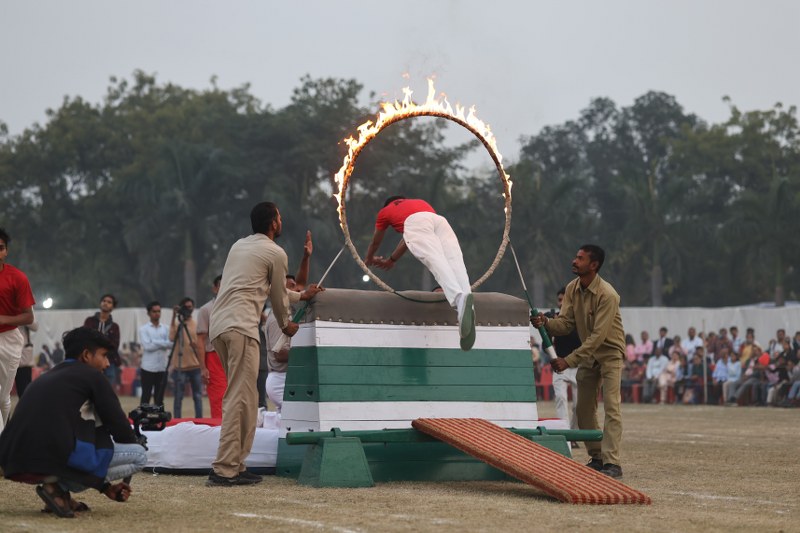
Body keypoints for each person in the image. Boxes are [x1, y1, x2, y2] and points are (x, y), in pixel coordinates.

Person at [0, 327, 146, 518]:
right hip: (44, 461)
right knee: (139, 455)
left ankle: (60, 492)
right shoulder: (92, 376)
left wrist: (104, 487)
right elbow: (120, 429)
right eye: (104, 356)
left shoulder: (47, 377)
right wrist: (136, 441)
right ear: (86, 355)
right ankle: (58, 488)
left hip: (12, 461)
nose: (107, 363)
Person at [207, 201, 299, 486]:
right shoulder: (276, 252)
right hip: (241, 327)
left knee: (246, 399)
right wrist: (286, 325)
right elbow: (278, 297)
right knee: (239, 398)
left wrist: (302, 295)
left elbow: (270, 288)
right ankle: (224, 469)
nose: (281, 221)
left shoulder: (239, 246)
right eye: (279, 217)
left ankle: (236, 464)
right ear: (273, 223)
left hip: (220, 326)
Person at [531, 244, 626, 479]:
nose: (574, 261)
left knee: (612, 407)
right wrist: (546, 322)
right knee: (583, 408)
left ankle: (612, 462)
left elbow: (597, 338)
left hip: (610, 353)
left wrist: (568, 361)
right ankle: (597, 457)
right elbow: (565, 324)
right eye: (576, 257)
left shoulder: (608, 295)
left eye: (580, 258)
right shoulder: (572, 288)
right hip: (589, 355)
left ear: (593, 265)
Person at [365, 196, 475, 351]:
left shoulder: (385, 211)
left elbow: (376, 241)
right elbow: (409, 237)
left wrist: (369, 258)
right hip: (439, 221)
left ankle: (459, 299)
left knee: (435, 260)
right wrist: (392, 259)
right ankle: (469, 306)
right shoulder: (420, 202)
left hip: (416, 224)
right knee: (455, 262)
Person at [0, 228, 36, 433]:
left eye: (0, 248)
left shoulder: (18, 278)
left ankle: (4, 438)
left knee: (3, 398)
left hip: (9, 339)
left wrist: (3, 319)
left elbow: (29, 317)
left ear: (6, 251)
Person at [547, 287, 580, 436]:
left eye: (564, 300)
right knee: (560, 398)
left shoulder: (579, 319)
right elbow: (546, 344)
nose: (561, 303)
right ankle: (565, 435)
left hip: (577, 365)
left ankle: (573, 433)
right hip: (559, 366)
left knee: (578, 406)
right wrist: (548, 325)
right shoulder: (552, 318)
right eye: (559, 300)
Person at [196, 275, 227, 419]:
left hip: (234, 356)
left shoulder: (237, 307)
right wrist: (203, 367)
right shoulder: (206, 310)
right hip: (214, 357)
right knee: (218, 397)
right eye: (221, 285)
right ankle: (219, 427)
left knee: (237, 397)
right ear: (215, 288)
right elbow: (200, 340)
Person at [169, 297, 203, 418]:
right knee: (178, 396)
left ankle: (199, 420)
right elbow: (171, 338)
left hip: (195, 365)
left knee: (197, 396)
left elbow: (202, 343)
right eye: (186, 307)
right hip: (180, 367)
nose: (188, 309)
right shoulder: (178, 324)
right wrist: (174, 316)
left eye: (190, 307)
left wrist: (196, 346)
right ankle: (177, 420)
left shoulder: (197, 324)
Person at [138, 301, 172, 407]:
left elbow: (171, 344)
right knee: (146, 396)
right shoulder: (143, 329)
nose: (157, 314)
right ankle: (144, 416)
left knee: (159, 397)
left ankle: (158, 417)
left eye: (158, 311)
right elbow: (147, 346)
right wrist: (163, 343)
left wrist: (154, 342)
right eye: (154, 311)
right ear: (149, 313)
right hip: (148, 367)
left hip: (162, 367)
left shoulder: (166, 328)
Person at [83, 294, 122, 388]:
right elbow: (85, 338)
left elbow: (114, 345)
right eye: (104, 301)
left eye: (109, 302)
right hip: (91, 360)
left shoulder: (114, 326)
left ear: (113, 306)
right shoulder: (90, 321)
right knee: (90, 388)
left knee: (106, 390)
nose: (105, 303)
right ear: (100, 303)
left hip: (109, 362)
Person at [14, 319, 38, 397]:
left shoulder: (24, 312)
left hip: (22, 359)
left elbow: (35, 326)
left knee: (24, 389)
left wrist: (22, 314)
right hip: (4, 352)